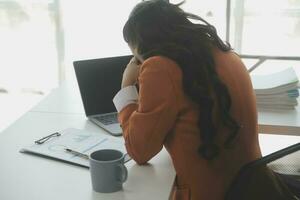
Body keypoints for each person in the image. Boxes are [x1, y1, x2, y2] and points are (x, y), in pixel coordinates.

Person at [112, 0, 295, 199]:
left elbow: (139, 151)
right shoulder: (225, 53)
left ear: (144, 45)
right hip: (256, 187)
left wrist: (127, 85)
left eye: (137, 56)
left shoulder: (160, 68)